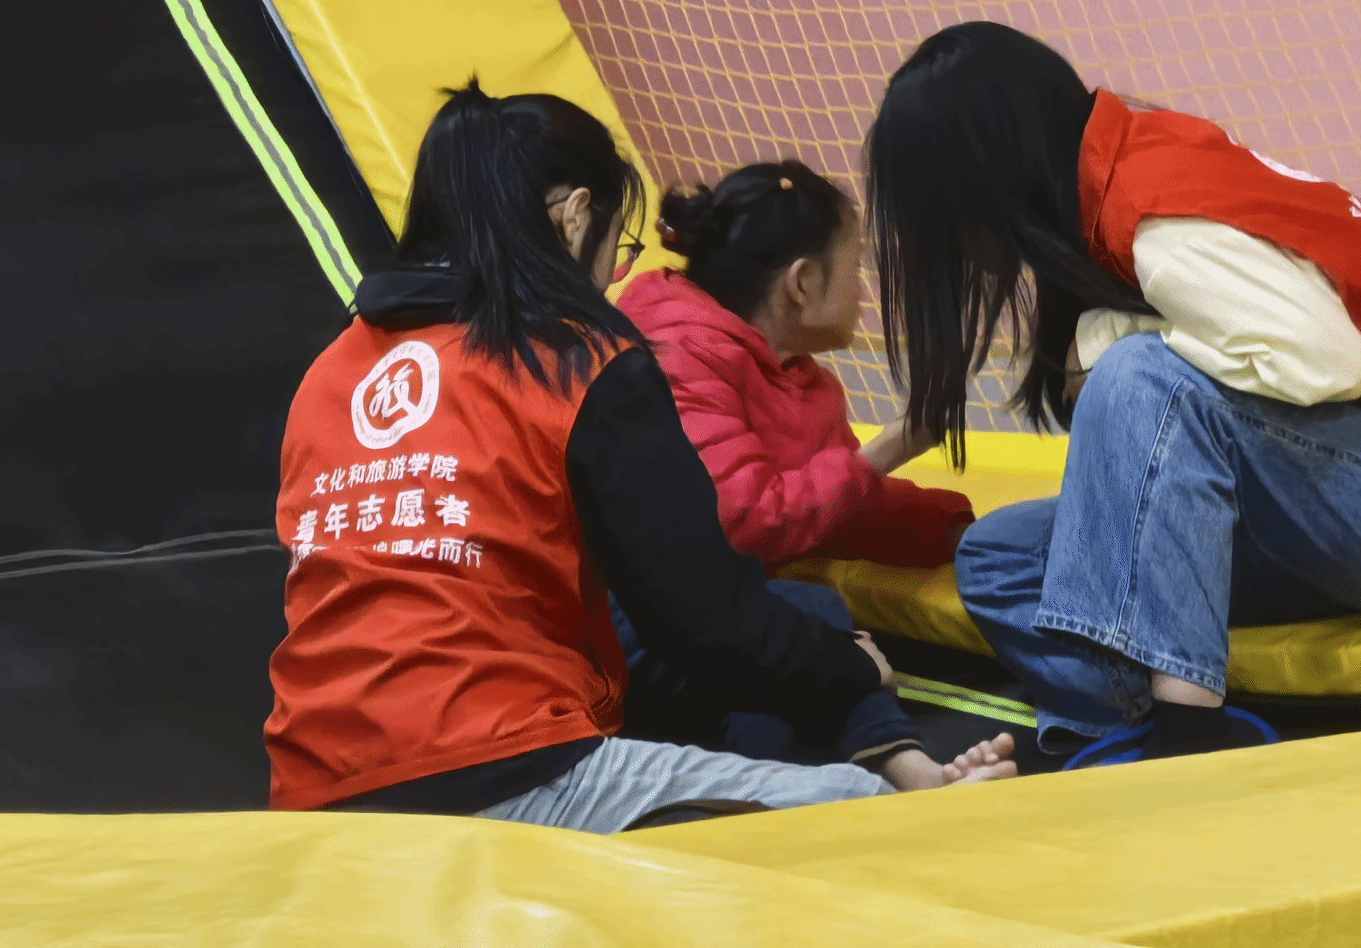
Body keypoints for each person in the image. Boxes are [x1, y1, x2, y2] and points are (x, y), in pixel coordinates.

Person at [264, 81, 1016, 832]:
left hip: (313, 788)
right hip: (504, 759)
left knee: (789, 635)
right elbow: (703, 613)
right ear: (575, 216)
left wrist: (952, 530)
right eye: (616, 248)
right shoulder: (581, 358)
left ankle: (902, 767)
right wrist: (850, 666)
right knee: (862, 806)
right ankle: (914, 793)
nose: (613, 277)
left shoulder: (330, 371)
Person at [863, 22, 1361, 764]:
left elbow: (1328, 361)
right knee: (997, 560)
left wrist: (1109, 335)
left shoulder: (1155, 211)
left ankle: (1192, 730)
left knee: (1141, 373)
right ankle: (1129, 727)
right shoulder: (1125, 165)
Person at [620, 161, 974, 570]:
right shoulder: (678, 355)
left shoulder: (803, 381)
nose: (860, 289)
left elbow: (836, 506)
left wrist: (949, 528)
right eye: (855, 267)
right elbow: (739, 525)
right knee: (823, 607)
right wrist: (889, 448)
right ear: (802, 283)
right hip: (643, 601)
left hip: (719, 591)